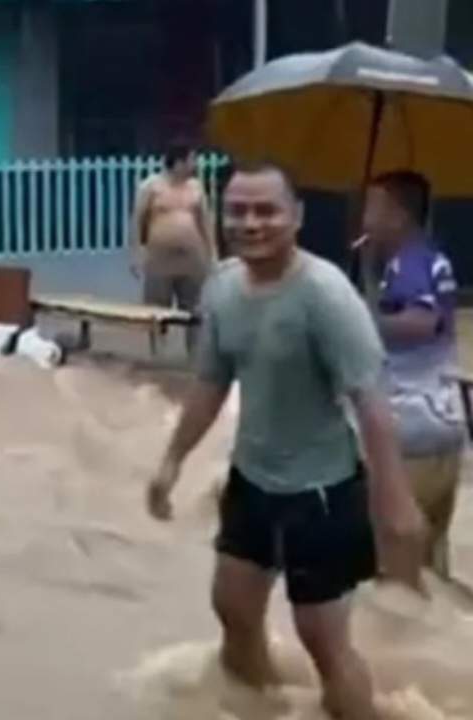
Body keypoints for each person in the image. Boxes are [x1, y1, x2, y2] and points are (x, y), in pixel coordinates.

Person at [145, 163, 426, 720]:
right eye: (238, 211)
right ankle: (260, 706)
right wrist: (172, 460)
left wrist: (394, 500)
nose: (251, 223)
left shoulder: (326, 295)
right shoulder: (223, 288)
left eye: (266, 210)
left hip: (321, 493)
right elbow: (211, 383)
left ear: (296, 217)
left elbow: (370, 400)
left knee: (323, 640)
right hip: (252, 479)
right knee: (233, 609)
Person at [362, 170, 465, 578]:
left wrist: (361, 321)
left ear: (398, 215)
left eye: (373, 208)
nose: (365, 219)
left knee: (396, 563)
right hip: (445, 419)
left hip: (412, 424)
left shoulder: (409, 263)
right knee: (430, 562)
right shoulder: (428, 258)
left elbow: (421, 322)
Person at [130, 143, 218, 313]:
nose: (195, 165)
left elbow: (206, 222)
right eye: (191, 160)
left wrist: (213, 255)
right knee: (156, 310)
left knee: (194, 310)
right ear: (179, 162)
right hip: (160, 260)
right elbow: (137, 220)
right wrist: (135, 254)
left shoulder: (196, 187)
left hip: (192, 260)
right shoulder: (151, 186)